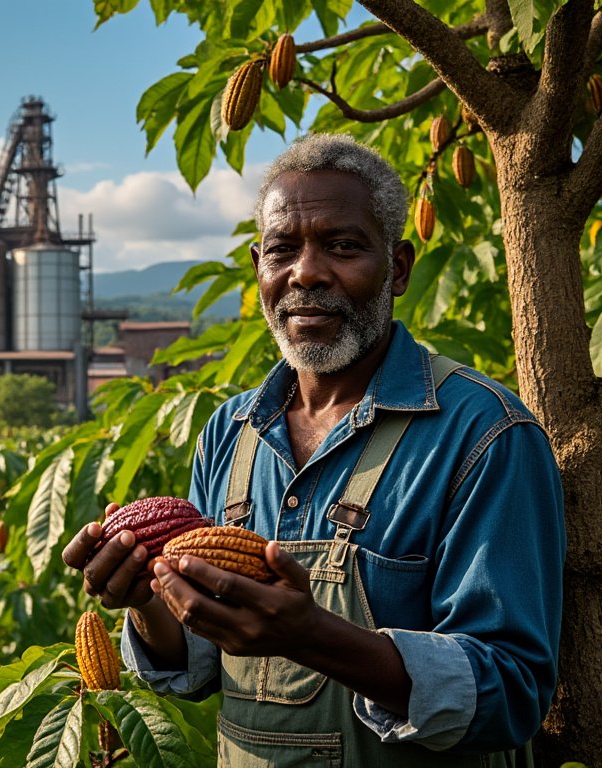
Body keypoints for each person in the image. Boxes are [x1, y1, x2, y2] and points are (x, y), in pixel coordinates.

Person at [62, 134, 564, 765]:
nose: (306, 272)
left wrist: (315, 638)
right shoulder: (229, 432)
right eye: (283, 250)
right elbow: (199, 667)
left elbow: (512, 692)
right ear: (258, 270)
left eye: (343, 246)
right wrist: (144, 601)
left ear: (399, 267)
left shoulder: (485, 433)